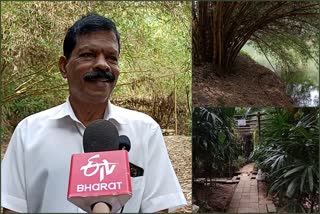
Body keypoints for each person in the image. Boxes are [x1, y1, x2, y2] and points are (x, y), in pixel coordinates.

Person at [1, 13, 187, 213]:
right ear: (64, 67)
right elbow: (13, 208)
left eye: (111, 58)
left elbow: (157, 208)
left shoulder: (146, 130)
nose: (102, 64)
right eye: (88, 55)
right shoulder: (28, 132)